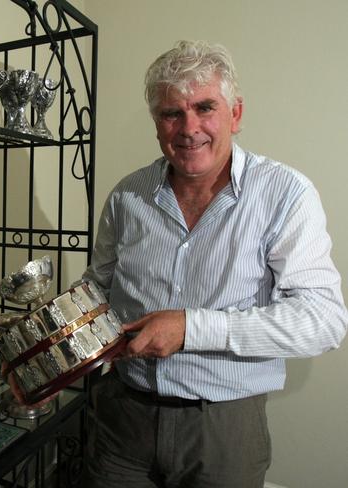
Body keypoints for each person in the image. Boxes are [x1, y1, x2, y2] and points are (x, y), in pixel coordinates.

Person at [79, 40, 348, 488]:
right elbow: (96, 288)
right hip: (121, 419)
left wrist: (192, 327)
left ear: (235, 114)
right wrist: (44, 361)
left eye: (205, 107)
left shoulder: (285, 194)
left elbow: (324, 320)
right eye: (172, 113)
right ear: (156, 122)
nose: (189, 128)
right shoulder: (127, 195)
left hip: (223, 432)